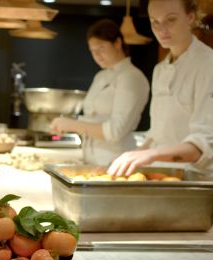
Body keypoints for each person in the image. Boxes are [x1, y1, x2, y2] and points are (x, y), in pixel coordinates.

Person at [108, 0, 213, 177]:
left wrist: (150, 155)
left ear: (190, 17)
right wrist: (134, 155)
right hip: (162, 177)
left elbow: (204, 145)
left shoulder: (212, 66)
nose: (161, 29)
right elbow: (157, 134)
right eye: (155, 21)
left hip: (197, 182)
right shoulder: (160, 69)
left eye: (171, 19)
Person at [51, 19, 150, 166]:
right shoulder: (101, 76)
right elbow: (92, 118)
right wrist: (67, 125)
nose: (97, 55)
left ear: (117, 43)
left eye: (101, 48)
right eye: (93, 51)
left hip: (115, 159)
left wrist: (72, 125)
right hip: (91, 157)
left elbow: (116, 131)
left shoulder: (131, 76)